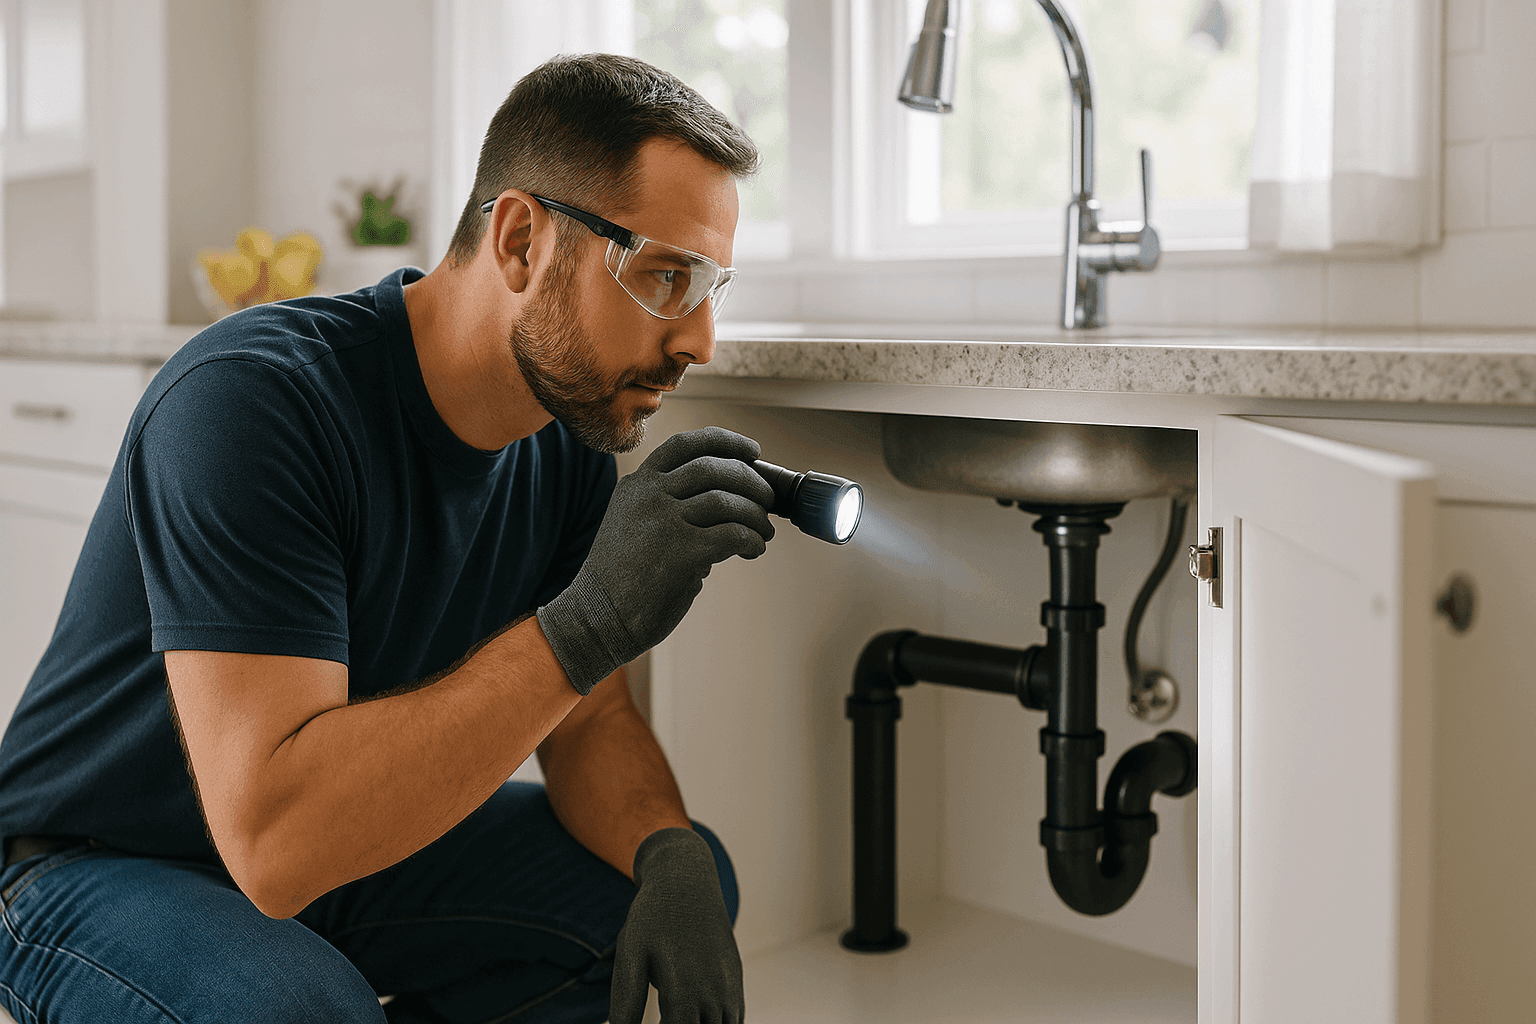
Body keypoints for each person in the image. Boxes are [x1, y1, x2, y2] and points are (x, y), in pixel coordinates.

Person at [0, 53, 774, 1024]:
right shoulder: (254, 402)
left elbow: (587, 723)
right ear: (522, 241)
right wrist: (587, 624)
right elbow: (275, 843)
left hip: (330, 845)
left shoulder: (566, 442)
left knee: (663, 882)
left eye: (710, 286)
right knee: (300, 1010)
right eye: (666, 276)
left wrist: (669, 851)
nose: (699, 339)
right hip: (95, 861)